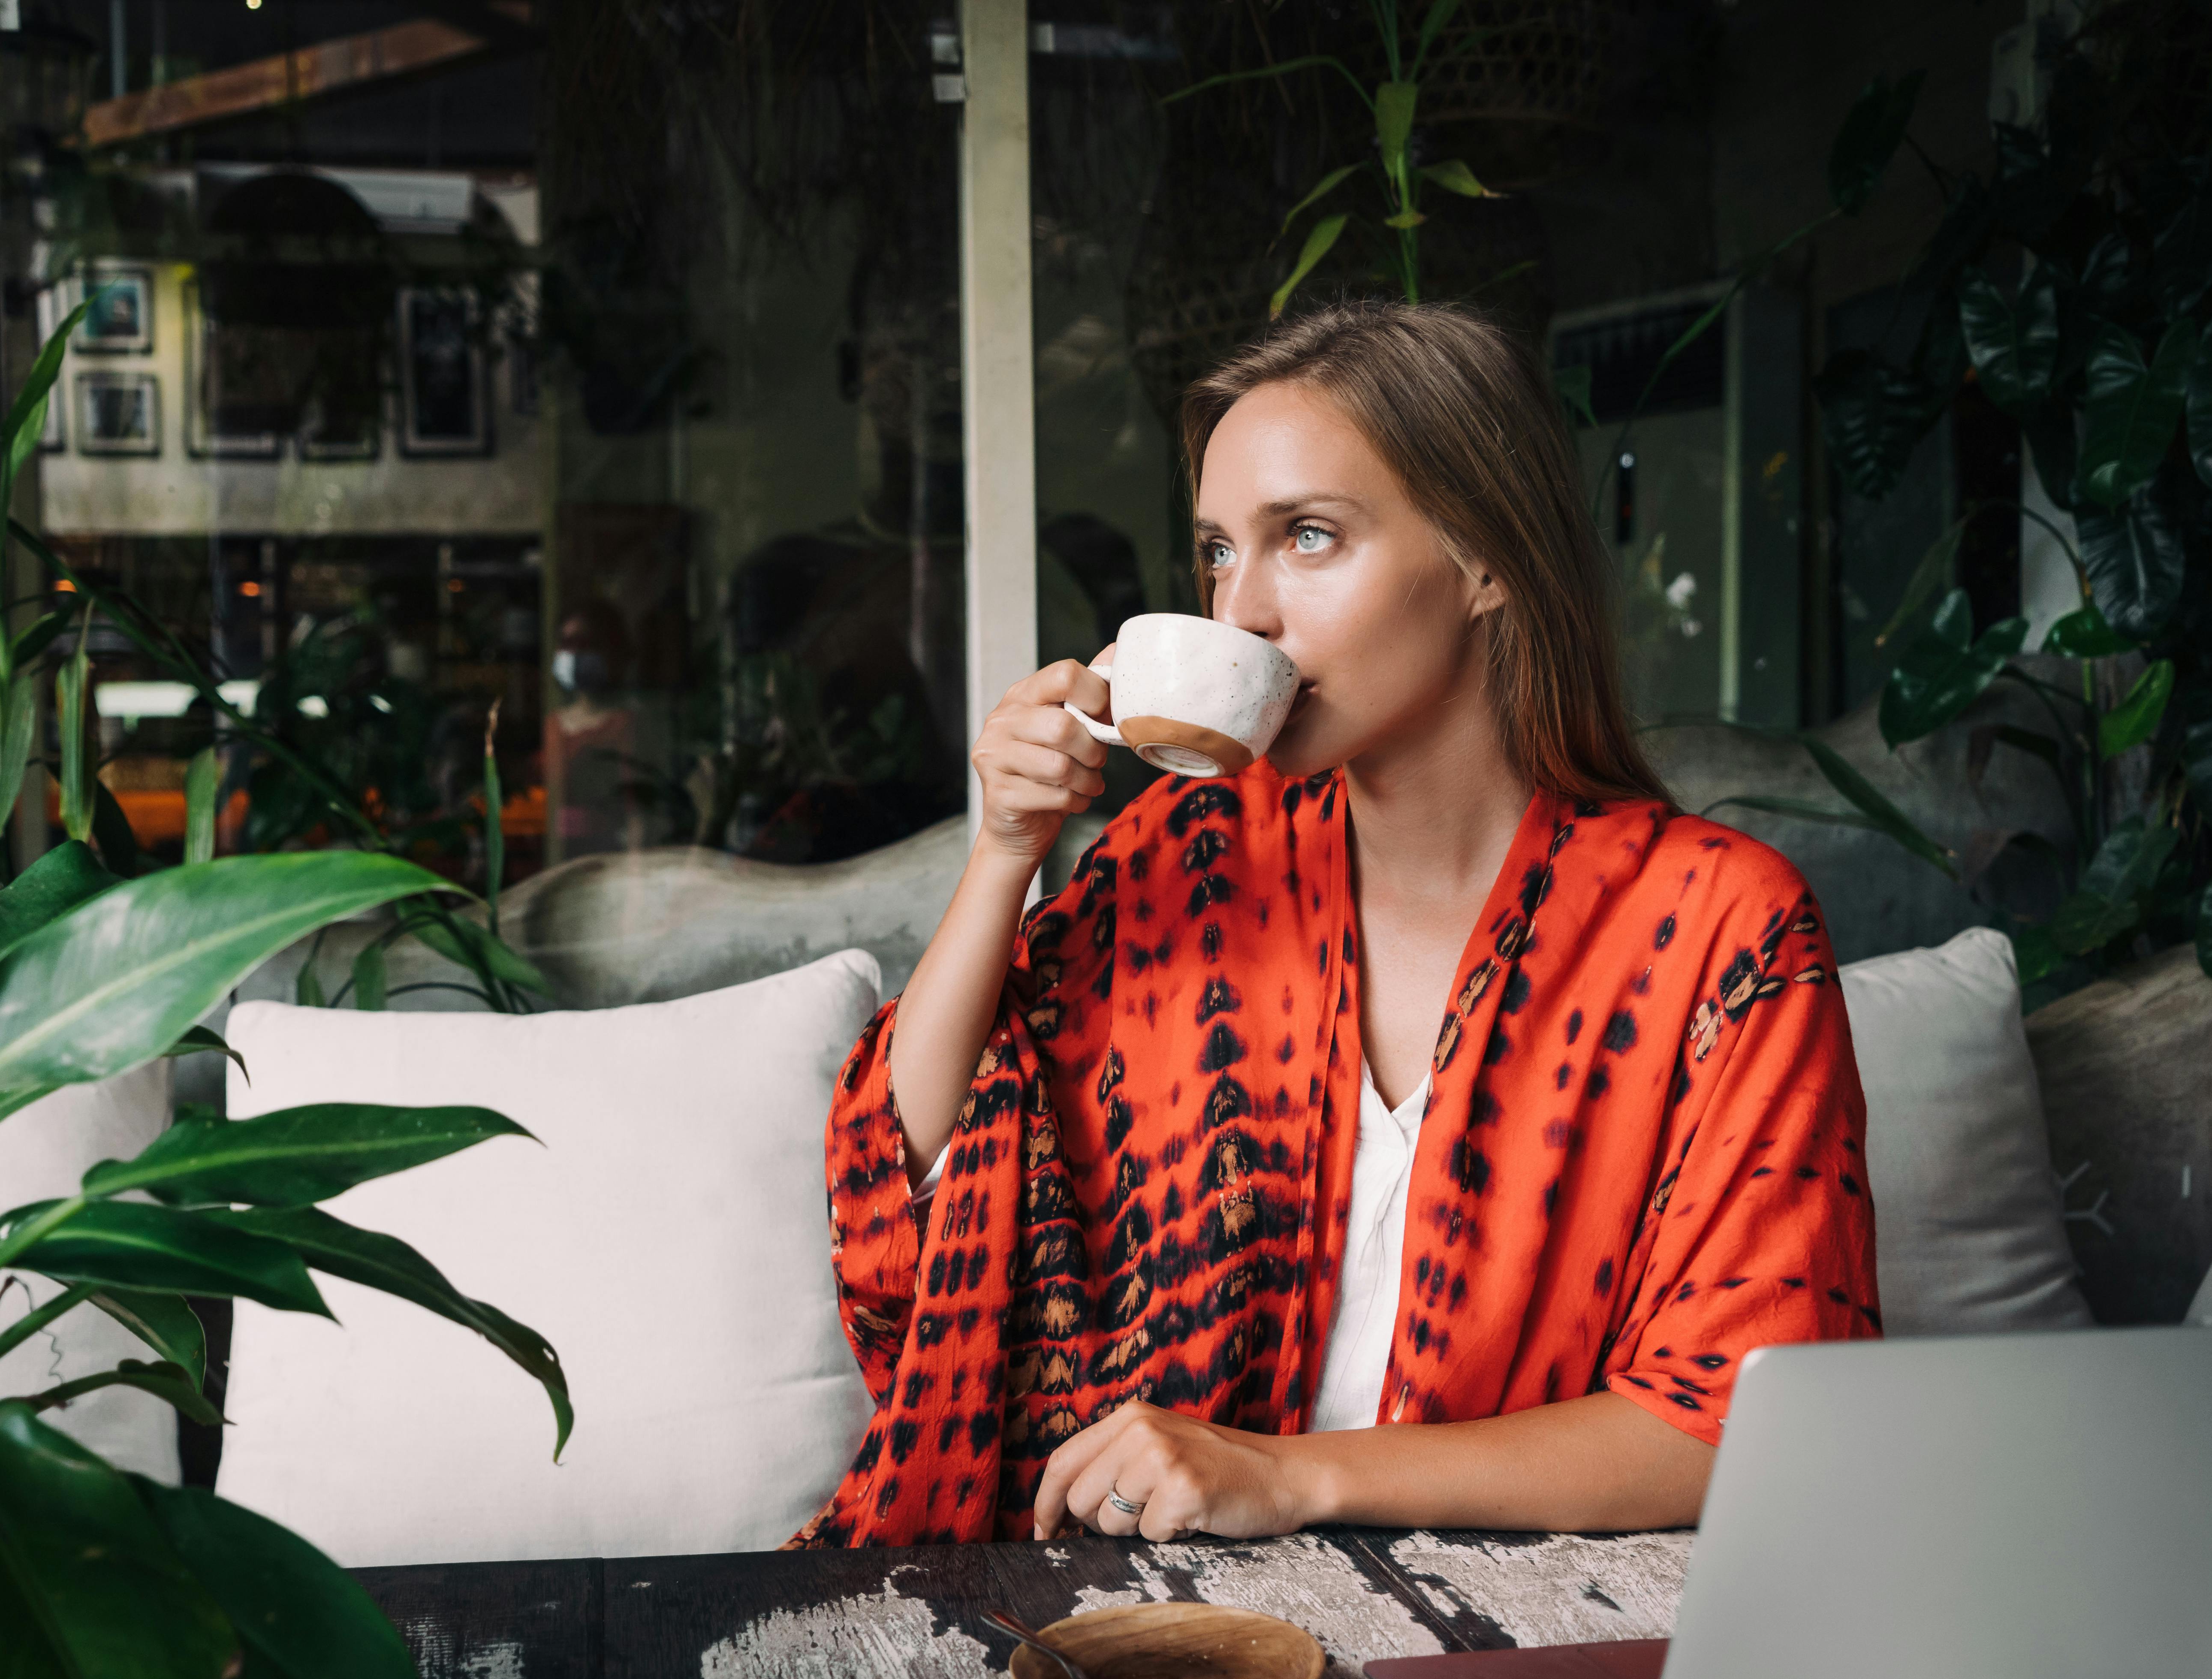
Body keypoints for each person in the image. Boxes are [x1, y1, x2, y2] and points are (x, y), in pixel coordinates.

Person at [792, 300, 1877, 1549]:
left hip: (1526, 1626)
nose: (1239, 611)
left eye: (1307, 537)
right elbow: (908, 1197)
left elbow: (1738, 1419)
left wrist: (1295, 1476)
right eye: (1217, 552)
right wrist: (1004, 854)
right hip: (1164, 1616)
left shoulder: (1714, 933)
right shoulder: (1190, 867)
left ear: (1488, 563)